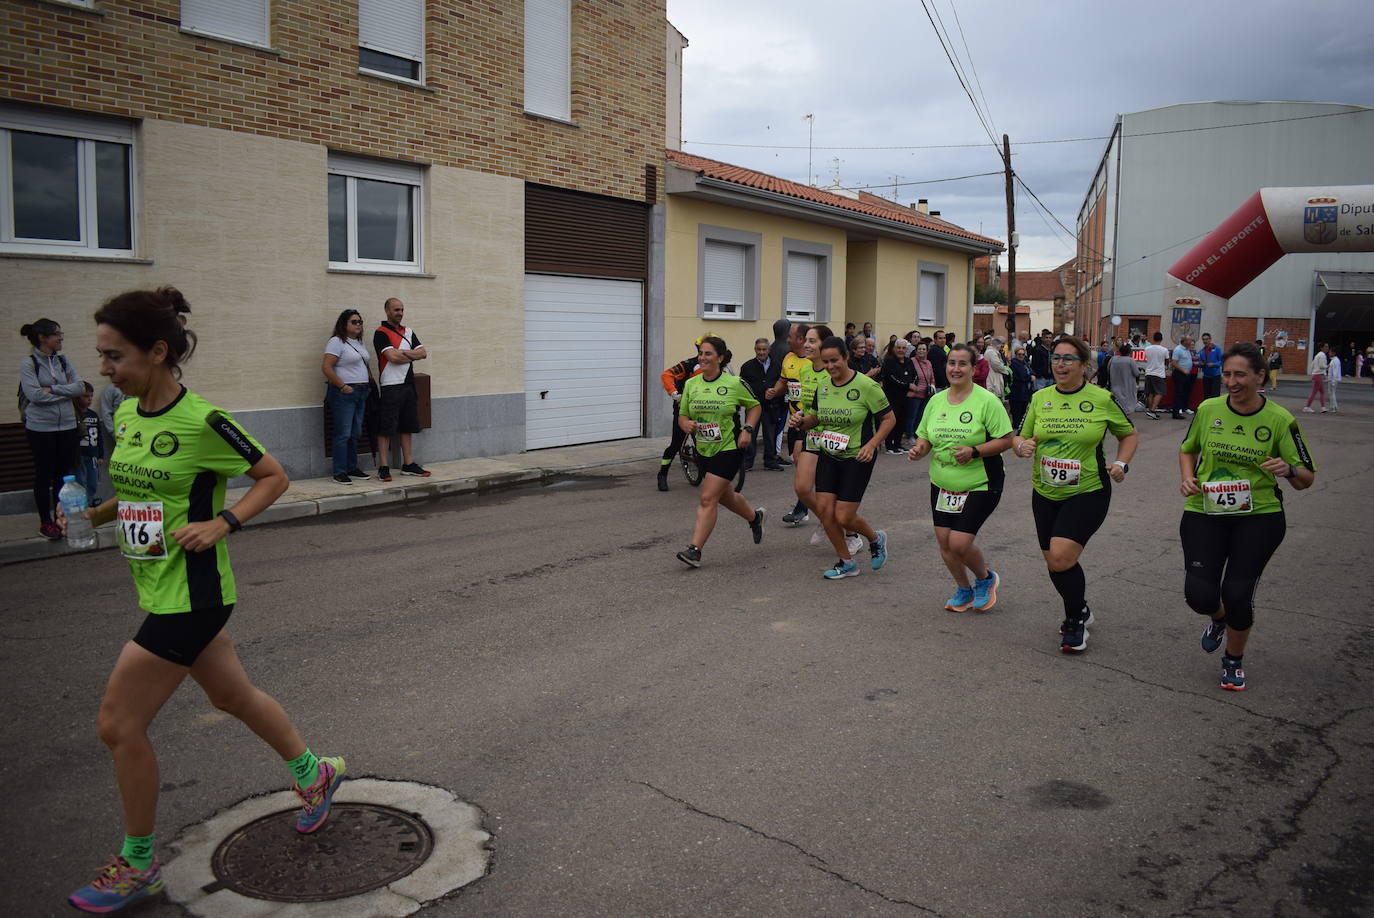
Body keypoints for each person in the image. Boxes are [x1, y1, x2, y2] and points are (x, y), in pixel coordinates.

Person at [63, 287, 345, 913]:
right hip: (157, 582)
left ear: (157, 351)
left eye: (115, 357)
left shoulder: (204, 422)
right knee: (231, 696)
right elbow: (138, 491)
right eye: (102, 357)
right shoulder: (129, 414)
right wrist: (91, 512)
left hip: (192, 596)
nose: (104, 370)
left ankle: (138, 865)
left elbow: (272, 475)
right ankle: (314, 773)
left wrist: (226, 522)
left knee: (118, 722)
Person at [1179, 342, 1315, 691]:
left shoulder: (1280, 419)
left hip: (1259, 517)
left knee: (1238, 592)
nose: (1232, 381)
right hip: (1205, 511)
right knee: (1199, 595)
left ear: (1259, 377)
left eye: (1241, 374)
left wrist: (1287, 469)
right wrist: (1187, 477)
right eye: (1227, 374)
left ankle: (1233, 660)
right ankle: (1219, 619)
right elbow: (1187, 449)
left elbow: (1306, 478)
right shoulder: (1209, 409)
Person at [1012, 335, 1137, 654]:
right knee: (1054, 563)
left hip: (1088, 490)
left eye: (1068, 358)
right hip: (1045, 490)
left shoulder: (1102, 399)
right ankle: (1080, 606)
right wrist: (1022, 446)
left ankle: (1074, 623)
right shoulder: (1041, 398)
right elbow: (1021, 437)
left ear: (1084, 365)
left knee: (1061, 557)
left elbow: (1128, 434)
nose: (1060, 364)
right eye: (1056, 358)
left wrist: (1122, 462)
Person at [908, 343, 1014, 612]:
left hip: (981, 482)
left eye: (962, 364)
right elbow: (925, 435)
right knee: (945, 543)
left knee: (959, 542)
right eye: (951, 363)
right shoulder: (936, 400)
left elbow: (1007, 440)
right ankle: (963, 589)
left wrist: (975, 451)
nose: (956, 369)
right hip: (942, 483)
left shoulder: (986, 401)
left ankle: (985, 579)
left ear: (973, 367)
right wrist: (920, 448)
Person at [792, 336, 893, 579]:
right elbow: (815, 418)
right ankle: (846, 562)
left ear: (846, 357)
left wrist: (872, 445)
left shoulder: (866, 386)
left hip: (858, 456)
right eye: (825, 362)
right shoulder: (823, 385)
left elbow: (889, 419)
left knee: (844, 515)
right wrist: (802, 421)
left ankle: (875, 538)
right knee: (826, 512)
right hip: (829, 454)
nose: (830, 366)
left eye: (834, 360)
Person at [674, 336, 765, 567]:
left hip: (729, 447)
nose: (702, 358)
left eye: (708, 354)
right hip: (703, 448)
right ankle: (755, 517)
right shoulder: (691, 385)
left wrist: (747, 429)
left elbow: (755, 406)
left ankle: (695, 550)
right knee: (725, 497)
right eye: (701, 354)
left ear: (720, 358)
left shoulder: (734, 383)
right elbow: (683, 415)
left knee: (707, 497)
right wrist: (685, 424)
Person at [18, 317, 85, 540]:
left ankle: (61, 519)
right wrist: (63, 390)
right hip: (40, 428)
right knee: (44, 474)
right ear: (42, 337)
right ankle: (45, 522)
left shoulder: (64, 361)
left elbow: (80, 388)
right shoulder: (28, 363)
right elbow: (33, 395)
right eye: (57, 334)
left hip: (67, 425)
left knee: (64, 475)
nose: (60, 338)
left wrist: (51, 390)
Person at [372, 298, 429, 481]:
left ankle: (408, 464)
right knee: (386, 428)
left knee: (407, 426)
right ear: (387, 311)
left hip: (408, 384)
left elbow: (423, 352)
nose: (400, 313)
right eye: (396, 309)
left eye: (402, 309)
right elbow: (391, 357)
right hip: (390, 385)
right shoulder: (380, 333)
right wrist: (411, 355)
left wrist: (403, 354)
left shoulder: (409, 331)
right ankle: (383, 466)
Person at [322, 308, 375, 484]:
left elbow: (364, 363)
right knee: (343, 433)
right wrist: (342, 386)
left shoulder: (359, 342)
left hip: (361, 392)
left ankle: (352, 467)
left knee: (355, 433)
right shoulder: (336, 342)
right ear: (344, 324)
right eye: (354, 321)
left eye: (360, 321)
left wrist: (368, 382)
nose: (358, 324)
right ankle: (339, 471)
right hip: (344, 393)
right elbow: (326, 367)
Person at [738, 337, 783, 471]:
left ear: (769, 350)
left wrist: (775, 392)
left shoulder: (777, 365)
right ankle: (747, 462)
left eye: (764, 349)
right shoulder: (747, 367)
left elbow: (782, 383)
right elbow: (742, 386)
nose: (762, 352)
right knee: (750, 433)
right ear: (755, 350)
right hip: (753, 406)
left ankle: (770, 460)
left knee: (770, 435)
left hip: (771, 406)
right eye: (759, 349)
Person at [878, 337, 915, 454]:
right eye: (898, 348)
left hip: (905, 397)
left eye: (903, 348)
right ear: (894, 349)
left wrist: (910, 385)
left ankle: (898, 444)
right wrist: (907, 385)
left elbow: (914, 376)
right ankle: (889, 445)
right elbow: (892, 378)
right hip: (892, 396)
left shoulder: (909, 361)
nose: (901, 350)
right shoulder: (889, 361)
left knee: (902, 421)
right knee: (892, 421)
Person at [76, 382, 105, 506]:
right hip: (78, 455)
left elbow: (99, 437)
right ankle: (84, 506)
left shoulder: (93, 415)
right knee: (81, 481)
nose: (89, 399)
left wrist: (100, 455)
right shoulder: (73, 415)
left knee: (92, 481)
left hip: (92, 455)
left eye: (91, 396)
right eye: (86, 396)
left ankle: (90, 500)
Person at [907, 340, 935, 444]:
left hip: (925, 394)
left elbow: (932, 376)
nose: (921, 351)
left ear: (927, 351)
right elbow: (909, 377)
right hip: (914, 394)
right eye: (919, 349)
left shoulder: (928, 363)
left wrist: (932, 386)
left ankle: (917, 434)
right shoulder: (911, 361)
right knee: (912, 416)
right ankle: (910, 435)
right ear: (916, 350)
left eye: (924, 349)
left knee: (921, 416)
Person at [1142, 331, 1170, 419]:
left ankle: (1150, 410)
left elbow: (1146, 359)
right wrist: (1166, 367)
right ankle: (1152, 410)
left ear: (1153, 338)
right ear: (1161, 339)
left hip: (1149, 372)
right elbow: (1167, 361)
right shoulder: (1164, 350)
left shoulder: (1147, 349)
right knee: (1160, 392)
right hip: (1159, 373)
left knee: (1150, 393)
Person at [1108, 341, 1138, 417]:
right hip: (1127, 386)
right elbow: (1136, 373)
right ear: (1129, 352)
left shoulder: (1113, 359)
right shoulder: (1130, 360)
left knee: (1116, 404)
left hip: (1115, 385)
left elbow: (1108, 370)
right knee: (1127, 407)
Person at [1170, 335, 1196, 419]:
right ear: (1184, 341)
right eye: (1189, 341)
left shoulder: (1187, 350)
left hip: (1186, 374)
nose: (1191, 342)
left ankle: (1181, 409)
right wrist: (1183, 370)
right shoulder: (1178, 350)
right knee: (1179, 393)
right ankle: (1176, 412)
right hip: (1179, 374)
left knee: (1184, 392)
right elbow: (1174, 363)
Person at [1008, 345, 1032, 430]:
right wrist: (1030, 377)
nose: (1021, 356)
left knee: (1023, 411)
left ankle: (1020, 428)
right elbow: (1022, 376)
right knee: (1017, 413)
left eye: (1023, 354)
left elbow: (1030, 371)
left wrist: (1031, 375)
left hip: (1025, 391)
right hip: (1017, 391)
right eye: (1019, 354)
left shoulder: (1024, 362)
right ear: (1016, 354)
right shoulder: (1014, 363)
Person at [1303, 343, 1329, 413]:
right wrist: (1328, 366)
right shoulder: (1322, 355)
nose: (1327, 348)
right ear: (1322, 348)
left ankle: (1323, 407)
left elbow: (1312, 364)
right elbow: (1321, 366)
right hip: (1318, 374)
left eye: (1327, 347)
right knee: (1315, 392)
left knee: (1321, 392)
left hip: (1317, 374)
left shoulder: (1318, 355)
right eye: (1325, 347)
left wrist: (1312, 373)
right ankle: (1307, 407)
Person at [1197, 332, 1223, 399]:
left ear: (1210, 339)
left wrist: (1214, 364)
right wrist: (1200, 364)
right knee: (1206, 395)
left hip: (1215, 376)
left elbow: (1222, 361)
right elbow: (1201, 362)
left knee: (1215, 395)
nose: (1205, 341)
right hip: (1206, 376)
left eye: (1206, 339)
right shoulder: (1202, 351)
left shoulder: (1217, 349)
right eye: (1203, 339)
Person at [1325, 348, 1341, 413]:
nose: (1329, 353)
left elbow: (1335, 372)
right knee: (1331, 393)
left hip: (1333, 380)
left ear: (1333, 353)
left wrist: (1333, 381)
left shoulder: (1335, 361)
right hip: (1331, 379)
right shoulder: (1333, 360)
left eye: (1330, 352)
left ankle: (1334, 407)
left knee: (1332, 393)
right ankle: (1333, 406)